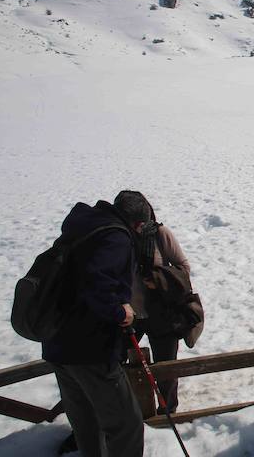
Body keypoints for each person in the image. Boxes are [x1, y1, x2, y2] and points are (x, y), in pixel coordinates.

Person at [43, 192, 147, 457]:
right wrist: (120, 312)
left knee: (86, 423)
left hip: (57, 341)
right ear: (135, 222)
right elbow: (97, 284)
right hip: (91, 348)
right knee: (126, 425)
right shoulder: (115, 237)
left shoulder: (85, 226)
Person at [123, 191, 191, 415]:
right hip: (127, 316)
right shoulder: (116, 238)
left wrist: (158, 279)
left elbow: (184, 268)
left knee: (165, 370)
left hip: (162, 313)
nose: (138, 226)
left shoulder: (160, 234)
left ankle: (167, 412)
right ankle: (131, 412)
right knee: (118, 366)